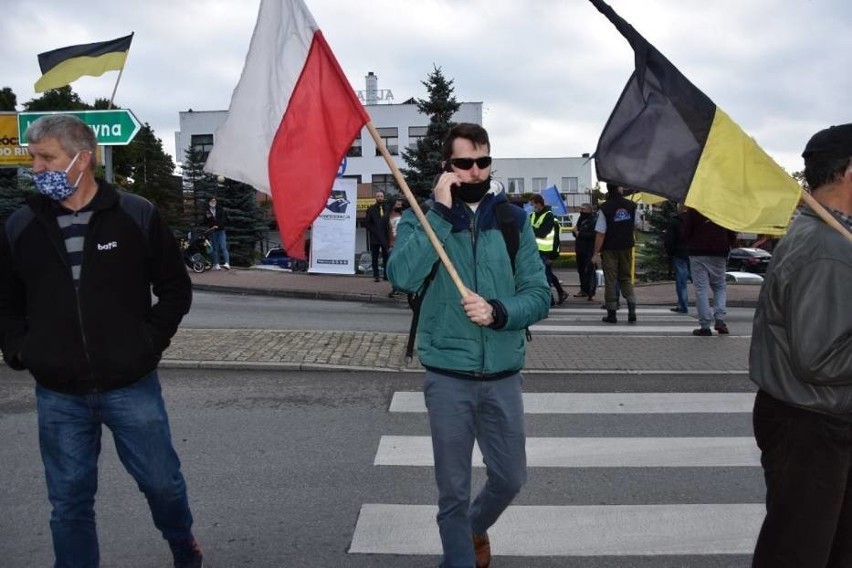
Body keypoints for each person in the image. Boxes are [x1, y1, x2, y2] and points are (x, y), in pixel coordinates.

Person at [0, 115, 203, 568]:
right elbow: (6, 303)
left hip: (131, 384)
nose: (35, 167)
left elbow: (175, 287)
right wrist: (21, 350)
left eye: (45, 157)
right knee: (69, 503)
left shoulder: (136, 214)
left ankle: (181, 543)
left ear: (82, 159)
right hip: (58, 393)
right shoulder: (20, 226)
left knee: (161, 484)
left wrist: (148, 343)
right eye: (34, 157)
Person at [387, 123, 550, 568]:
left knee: (510, 478)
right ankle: (460, 555)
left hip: (502, 375)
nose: (475, 171)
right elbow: (401, 276)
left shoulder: (512, 220)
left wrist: (498, 312)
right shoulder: (425, 219)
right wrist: (438, 215)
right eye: (464, 163)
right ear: (447, 167)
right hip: (448, 377)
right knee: (453, 493)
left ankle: (475, 530)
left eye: (483, 161)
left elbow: (539, 294)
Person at [749, 124, 852, 568]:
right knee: (799, 552)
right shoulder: (826, 247)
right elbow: (820, 358)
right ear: (849, 173)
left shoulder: (833, 237)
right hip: (812, 422)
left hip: (817, 417)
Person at [680, 207, 737, 335]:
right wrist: (728, 243)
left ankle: (705, 325)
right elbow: (732, 231)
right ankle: (720, 319)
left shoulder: (694, 209)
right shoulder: (724, 209)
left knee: (701, 289)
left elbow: (684, 233)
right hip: (719, 251)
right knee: (720, 286)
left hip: (698, 252)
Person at [591, 183, 638, 324]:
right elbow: (636, 225)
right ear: (619, 189)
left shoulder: (605, 208)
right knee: (625, 278)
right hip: (626, 247)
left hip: (610, 249)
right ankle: (632, 311)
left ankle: (612, 314)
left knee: (611, 280)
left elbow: (600, 233)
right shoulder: (632, 206)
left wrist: (595, 253)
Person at [529, 193, 568, 305]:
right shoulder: (532, 216)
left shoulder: (549, 216)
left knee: (545, 276)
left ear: (539, 204)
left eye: (533, 204)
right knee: (548, 274)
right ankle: (561, 293)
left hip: (545, 252)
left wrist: (553, 255)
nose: (532, 207)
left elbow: (542, 233)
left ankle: (549, 300)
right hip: (534, 251)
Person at [665, 203, 690, 313]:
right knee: (699, 283)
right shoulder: (693, 220)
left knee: (681, 282)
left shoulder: (674, 221)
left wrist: (670, 253)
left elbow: (669, 240)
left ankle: (683, 305)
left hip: (679, 254)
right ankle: (703, 304)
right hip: (694, 254)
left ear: (680, 208)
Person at [572, 202, 597, 300]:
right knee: (581, 271)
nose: (580, 211)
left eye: (583, 209)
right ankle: (583, 290)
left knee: (589, 272)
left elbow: (593, 235)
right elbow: (575, 231)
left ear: (589, 210)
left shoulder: (593, 220)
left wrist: (579, 234)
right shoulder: (581, 219)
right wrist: (575, 232)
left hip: (589, 250)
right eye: (580, 209)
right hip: (580, 249)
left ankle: (591, 292)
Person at [364, 190, 389, 281]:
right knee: (375, 257)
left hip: (385, 238)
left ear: (383, 197)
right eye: (378, 196)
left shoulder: (387, 208)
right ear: (375, 198)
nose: (380, 198)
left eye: (381, 196)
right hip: (375, 237)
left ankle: (386, 275)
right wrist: (375, 231)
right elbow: (367, 223)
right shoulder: (371, 209)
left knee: (386, 257)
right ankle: (376, 275)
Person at [205, 196, 230, 270]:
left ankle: (227, 263)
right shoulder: (207, 211)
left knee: (223, 246)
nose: (213, 202)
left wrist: (218, 226)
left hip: (221, 230)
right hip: (212, 231)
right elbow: (206, 221)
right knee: (215, 248)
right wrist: (212, 226)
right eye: (212, 201)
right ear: (209, 202)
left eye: (214, 201)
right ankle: (216, 264)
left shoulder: (220, 209)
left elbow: (223, 219)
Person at [386, 198, 404, 297]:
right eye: (397, 204)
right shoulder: (387, 217)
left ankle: (402, 287)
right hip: (391, 245)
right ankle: (394, 288)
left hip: (402, 244)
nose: (399, 206)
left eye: (400, 205)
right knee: (393, 268)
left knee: (401, 267)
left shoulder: (404, 216)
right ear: (393, 205)